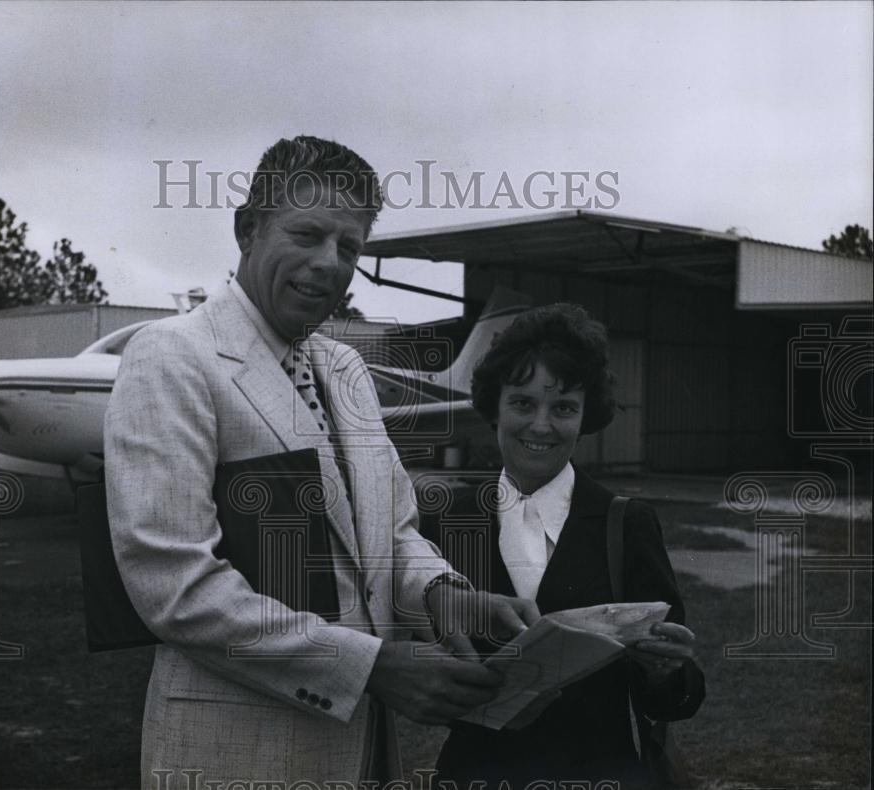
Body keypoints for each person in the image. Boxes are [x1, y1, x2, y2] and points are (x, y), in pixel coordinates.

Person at [104, 136, 538, 787]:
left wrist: (448, 596)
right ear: (247, 229)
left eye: (350, 247)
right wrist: (371, 668)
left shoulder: (346, 370)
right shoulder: (172, 356)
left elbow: (392, 534)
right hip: (238, 756)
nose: (328, 263)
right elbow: (174, 585)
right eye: (307, 234)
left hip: (359, 754)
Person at [422, 303, 706, 789]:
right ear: (494, 407)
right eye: (523, 403)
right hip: (476, 775)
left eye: (563, 408)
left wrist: (665, 672)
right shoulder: (447, 520)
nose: (541, 425)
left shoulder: (627, 523)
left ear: (585, 415)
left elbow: (676, 698)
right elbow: (417, 663)